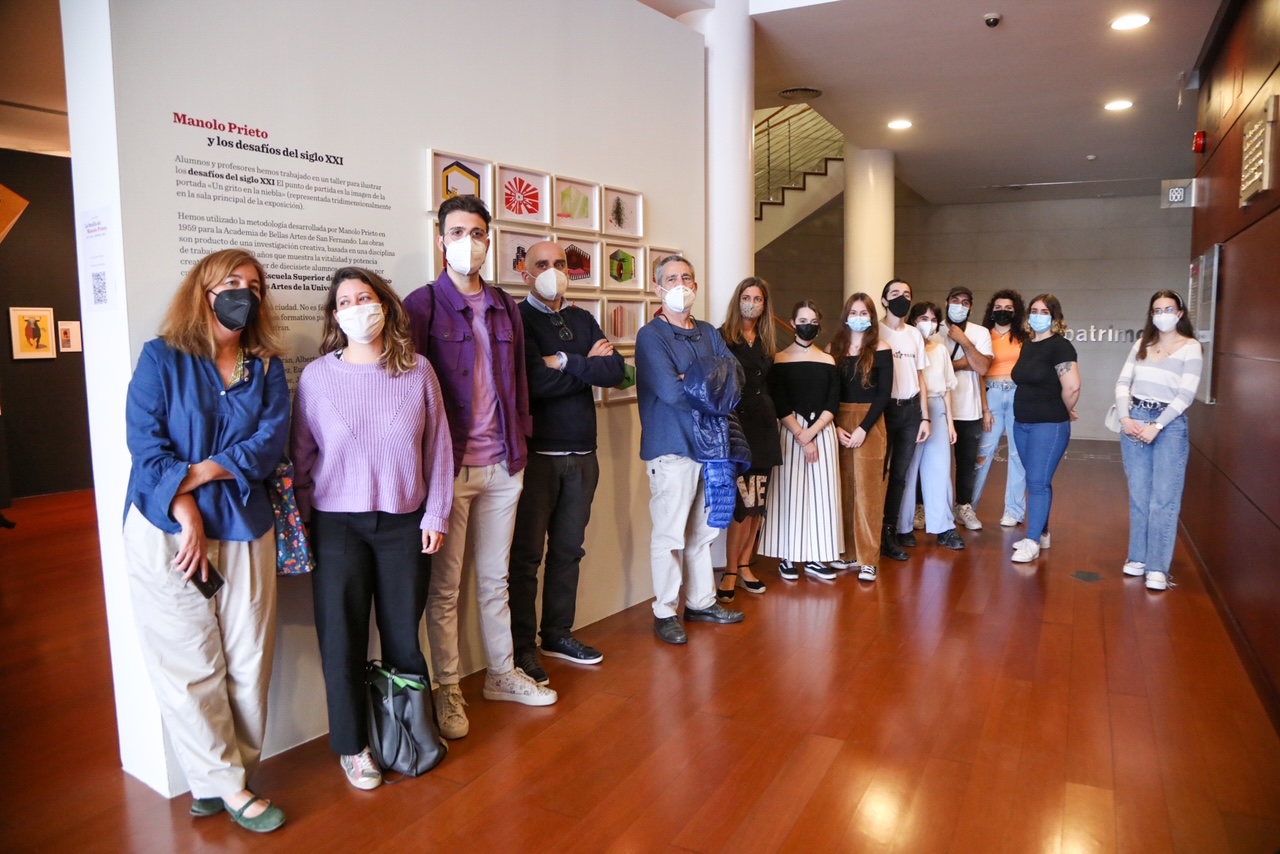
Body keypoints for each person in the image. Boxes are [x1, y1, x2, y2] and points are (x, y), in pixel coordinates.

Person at [122, 248, 288, 832]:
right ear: (204, 290)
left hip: (245, 525)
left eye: (255, 284)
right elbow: (146, 445)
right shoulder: (161, 359)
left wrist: (197, 473)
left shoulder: (266, 368)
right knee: (189, 663)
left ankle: (223, 775)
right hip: (168, 532)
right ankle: (231, 788)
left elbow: (268, 445)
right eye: (231, 282)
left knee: (248, 660)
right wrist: (185, 505)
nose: (246, 291)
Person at [291, 267, 453, 790]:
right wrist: (302, 526)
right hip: (337, 526)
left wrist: (436, 513)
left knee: (405, 633)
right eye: (345, 301)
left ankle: (411, 731)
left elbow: (440, 450)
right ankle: (353, 747)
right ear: (335, 316)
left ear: (385, 305)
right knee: (342, 638)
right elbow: (300, 458)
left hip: (406, 523)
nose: (358, 307)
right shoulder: (317, 377)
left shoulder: (418, 371)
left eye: (366, 297)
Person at [405, 194, 555, 741]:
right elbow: (410, 395)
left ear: (490, 240)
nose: (470, 241)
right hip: (450, 472)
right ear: (442, 239)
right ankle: (448, 688)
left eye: (479, 232)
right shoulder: (421, 305)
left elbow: (515, 384)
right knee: (445, 590)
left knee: (496, 580)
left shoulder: (505, 306)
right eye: (459, 231)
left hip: (504, 465)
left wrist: (521, 446)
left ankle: (500, 672)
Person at [508, 241, 624, 685]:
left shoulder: (580, 318)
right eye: (542, 265)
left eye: (559, 264)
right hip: (539, 456)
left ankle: (557, 632)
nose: (552, 271)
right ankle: (523, 648)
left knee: (569, 551)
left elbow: (614, 373)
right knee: (526, 558)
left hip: (583, 453)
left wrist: (563, 361)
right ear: (525, 272)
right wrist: (582, 369)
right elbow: (531, 383)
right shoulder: (519, 319)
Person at [636, 254, 746, 644]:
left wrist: (696, 378)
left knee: (702, 533)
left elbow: (735, 377)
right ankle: (665, 611)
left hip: (711, 447)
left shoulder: (707, 332)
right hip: (672, 447)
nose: (680, 284)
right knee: (669, 535)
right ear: (657, 287)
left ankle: (701, 602)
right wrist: (707, 377)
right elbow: (670, 392)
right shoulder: (651, 336)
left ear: (696, 286)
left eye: (687, 277)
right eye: (671, 278)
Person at [1114, 290, 1203, 591]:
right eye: (1156, 309)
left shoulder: (1191, 347)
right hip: (1135, 419)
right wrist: (1126, 418)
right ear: (1151, 314)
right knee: (1139, 495)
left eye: (1168, 308)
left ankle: (1158, 567)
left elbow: (1186, 394)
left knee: (1163, 499)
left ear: (1180, 313)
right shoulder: (1142, 344)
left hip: (1170, 425)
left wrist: (1159, 425)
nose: (1162, 314)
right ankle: (1137, 558)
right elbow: (1123, 382)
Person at [758, 300, 842, 581]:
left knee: (823, 495)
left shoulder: (828, 360)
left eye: (814, 321)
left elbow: (833, 402)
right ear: (793, 324)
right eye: (803, 320)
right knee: (788, 494)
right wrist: (801, 435)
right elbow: (778, 402)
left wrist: (813, 431)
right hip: (790, 431)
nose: (809, 325)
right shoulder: (779, 359)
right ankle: (788, 555)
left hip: (822, 432)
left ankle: (819, 555)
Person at [716, 277, 781, 600]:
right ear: (737, 300)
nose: (752, 303)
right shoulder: (721, 337)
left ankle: (745, 564)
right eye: (746, 296)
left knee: (758, 503)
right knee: (741, 502)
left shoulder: (768, 340)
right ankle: (729, 569)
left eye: (758, 298)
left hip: (765, 425)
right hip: (737, 426)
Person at [1010, 294, 1081, 563]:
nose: (1038, 315)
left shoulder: (1060, 346)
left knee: (1037, 483)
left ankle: (1031, 540)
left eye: (1044, 311)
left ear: (1055, 317)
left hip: (1049, 424)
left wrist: (1064, 409)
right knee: (1035, 480)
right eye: (1034, 310)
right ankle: (1043, 531)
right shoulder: (1028, 345)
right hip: (1022, 423)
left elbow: (1072, 385)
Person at [828, 293, 893, 581]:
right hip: (838, 420)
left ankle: (868, 557)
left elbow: (883, 395)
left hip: (870, 422)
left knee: (869, 493)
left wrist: (863, 428)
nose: (858, 316)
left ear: (871, 316)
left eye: (864, 312)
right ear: (845, 315)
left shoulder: (882, 348)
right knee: (843, 490)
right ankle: (848, 552)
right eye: (853, 311)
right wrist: (834, 426)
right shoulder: (833, 349)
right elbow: (827, 392)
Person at [896, 303, 964, 549]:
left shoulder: (941, 351)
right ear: (913, 320)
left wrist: (950, 423)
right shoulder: (903, 346)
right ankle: (902, 528)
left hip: (936, 409)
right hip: (911, 409)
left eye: (934, 319)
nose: (929, 323)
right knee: (906, 472)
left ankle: (944, 527)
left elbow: (946, 389)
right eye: (924, 318)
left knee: (939, 471)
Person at [878, 279, 931, 561]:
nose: (902, 298)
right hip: (883, 411)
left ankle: (890, 530)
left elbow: (920, 377)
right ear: (884, 300)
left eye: (907, 294)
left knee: (900, 474)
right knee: (878, 473)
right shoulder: (875, 331)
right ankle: (871, 530)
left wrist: (925, 417)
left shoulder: (914, 335)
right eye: (895, 294)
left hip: (911, 412)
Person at [972, 290, 1028, 527]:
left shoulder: (1025, 337)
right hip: (991, 395)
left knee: (1017, 455)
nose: (1002, 311)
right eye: (998, 307)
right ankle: (967, 506)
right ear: (991, 310)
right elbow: (978, 373)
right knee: (981, 455)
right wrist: (984, 407)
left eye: (1008, 308)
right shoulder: (983, 336)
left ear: (1015, 311)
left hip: (1017, 394)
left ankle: (1013, 511)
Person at [943, 286, 993, 530]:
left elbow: (983, 367)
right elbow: (930, 365)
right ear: (946, 302)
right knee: (935, 463)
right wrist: (968, 363)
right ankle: (925, 506)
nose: (960, 306)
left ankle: (963, 506)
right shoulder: (934, 329)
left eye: (965, 302)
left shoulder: (980, 332)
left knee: (966, 464)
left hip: (969, 409)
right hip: (940, 409)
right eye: (955, 300)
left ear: (971, 307)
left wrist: (963, 342)